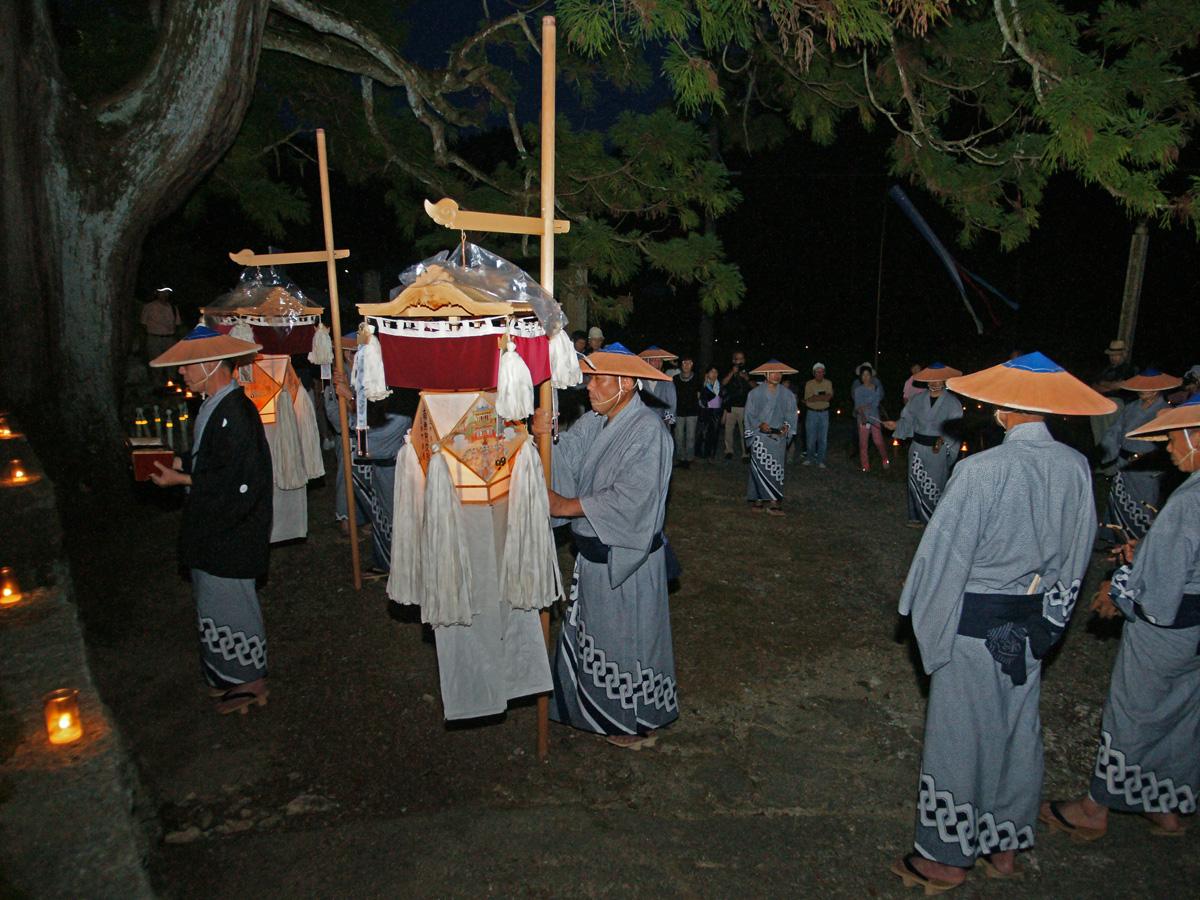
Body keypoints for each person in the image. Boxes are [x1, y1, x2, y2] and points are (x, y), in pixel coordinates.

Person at [890, 352, 1109, 892]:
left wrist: (930, 638)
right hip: (1029, 626)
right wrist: (1048, 627)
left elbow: (943, 564)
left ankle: (945, 858)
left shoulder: (980, 470)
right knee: (1016, 731)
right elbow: (1076, 559)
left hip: (972, 626)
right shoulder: (1074, 469)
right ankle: (1004, 845)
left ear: (1007, 412)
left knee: (960, 737)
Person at [1042, 393, 1200, 842]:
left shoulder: (1190, 501)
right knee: (1182, 714)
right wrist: (1147, 550)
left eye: (1174, 437)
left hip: (1165, 631)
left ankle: (1095, 806)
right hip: (1195, 633)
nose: (1168, 448)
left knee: (1133, 713)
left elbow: (1160, 593)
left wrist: (1121, 585)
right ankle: (1166, 804)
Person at [530, 344, 677, 749]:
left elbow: (633, 498)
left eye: (598, 379)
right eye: (589, 377)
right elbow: (567, 458)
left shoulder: (648, 430)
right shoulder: (597, 421)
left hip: (626, 558)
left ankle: (627, 719)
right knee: (606, 638)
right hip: (597, 557)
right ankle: (613, 715)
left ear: (626, 384)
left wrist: (567, 505)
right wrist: (547, 437)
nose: (589, 387)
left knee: (629, 641)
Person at [147, 325, 273, 715]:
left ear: (211, 364)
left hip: (232, 527)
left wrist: (183, 478)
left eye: (188, 366)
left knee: (231, 601)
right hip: (215, 525)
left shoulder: (237, 411)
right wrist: (179, 461)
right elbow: (213, 460)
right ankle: (225, 673)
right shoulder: (213, 406)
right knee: (212, 601)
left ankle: (250, 680)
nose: (182, 373)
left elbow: (241, 479)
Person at [325, 336, 416, 573]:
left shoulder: (402, 396)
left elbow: (376, 432)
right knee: (382, 518)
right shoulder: (383, 389)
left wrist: (351, 400)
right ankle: (386, 564)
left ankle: (398, 568)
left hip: (393, 467)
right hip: (380, 466)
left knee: (395, 519)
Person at [1097, 370, 1179, 542]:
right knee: (1120, 501)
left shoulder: (1165, 411)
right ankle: (1118, 539)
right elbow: (1115, 431)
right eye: (1140, 388)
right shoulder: (1131, 408)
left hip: (1147, 468)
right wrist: (1106, 451)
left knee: (1145, 506)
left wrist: (1156, 461)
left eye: (1147, 388)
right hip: (1124, 463)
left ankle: (1141, 543)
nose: (1142, 391)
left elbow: (1170, 442)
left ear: (1157, 390)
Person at [883, 363, 964, 527]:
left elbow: (955, 428)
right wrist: (896, 425)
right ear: (926, 381)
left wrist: (943, 440)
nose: (934, 383)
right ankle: (915, 517)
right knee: (915, 480)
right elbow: (907, 420)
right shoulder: (916, 400)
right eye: (931, 379)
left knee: (937, 483)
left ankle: (934, 520)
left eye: (938, 379)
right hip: (918, 448)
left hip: (938, 450)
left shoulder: (953, 403)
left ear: (944, 380)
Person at [743, 361, 799, 516]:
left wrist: (787, 426)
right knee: (758, 469)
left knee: (776, 470)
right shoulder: (754, 393)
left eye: (779, 373)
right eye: (773, 373)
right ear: (766, 375)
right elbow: (748, 415)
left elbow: (792, 414)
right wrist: (759, 424)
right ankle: (758, 499)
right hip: (760, 437)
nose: (777, 376)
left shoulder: (787, 394)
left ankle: (774, 502)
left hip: (778, 438)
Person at [1090, 339, 1137, 450]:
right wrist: (1106, 385)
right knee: (1098, 434)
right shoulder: (1105, 369)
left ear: (1123, 355)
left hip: (1116, 403)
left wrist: (1103, 384)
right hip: (1099, 403)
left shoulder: (1129, 369)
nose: (1113, 358)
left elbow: (1120, 385)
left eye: (1116, 355)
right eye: (1112, 355)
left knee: (1111, 434)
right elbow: (1094, 386)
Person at [852, 362, 890, 472]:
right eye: (863, 375)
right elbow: (857, 405)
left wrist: (865, 406)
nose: (865, 377)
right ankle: (865, 466)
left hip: (874, 417)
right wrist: (863, 414)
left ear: (871, 376)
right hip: (862, 418)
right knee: (863, 443)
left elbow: (875, 403)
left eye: (867, 375)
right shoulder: (858, 390)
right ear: (861, 376)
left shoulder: (876, 387)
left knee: (878, 441)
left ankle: (885, 459)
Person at [141, 286, 181, 385]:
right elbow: (143, 323)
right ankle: (157, 385)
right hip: (154, 338)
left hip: (169, 338)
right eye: (162, 292)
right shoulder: (149, 307)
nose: (164, 295)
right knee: (156, 362)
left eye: (166, 292)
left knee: (171, 362)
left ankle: (171, 383)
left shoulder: (173, 308)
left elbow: (177, 324)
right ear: (157, 293)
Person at [637, 346, 679, 430]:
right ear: (647, 362)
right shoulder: (638, 382)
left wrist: (667, 423)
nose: (657, 362)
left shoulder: (667, 381)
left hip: (661, 425)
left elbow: (672, 405)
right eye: (654, 360)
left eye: (660, 360)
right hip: (642, 425)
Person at [722, 349, 752, 460]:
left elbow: (755, 386)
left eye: (741, 358)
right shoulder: (729, 369)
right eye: (737, 358)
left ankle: (745, 453)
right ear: (733, 359)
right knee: (728, 430)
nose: (739, 360)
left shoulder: (748, 370)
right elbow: (723, 383)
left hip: (745, 406)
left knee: (744, 431)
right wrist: (732, 373)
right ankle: (728, 450)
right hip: (730, 406)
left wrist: (746, 378)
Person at [802, 363, 834, 468]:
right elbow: (808, 400)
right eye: (817, 372)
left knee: (823, 439)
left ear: (824, 373)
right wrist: (822, 397)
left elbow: (829, 397)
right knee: (811, 438)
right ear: (814, 373)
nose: (819, 374)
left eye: (821, 372)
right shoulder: (809, 384)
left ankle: (821, 460)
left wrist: (816, 397)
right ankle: (809, 458)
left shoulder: (828, 383)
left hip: (824, 413)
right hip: (812, 413)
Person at [673, 355, 702, 468]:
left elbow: (699, 394)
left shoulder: (697, 378)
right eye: (684, 363)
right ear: (681, 365)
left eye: (689, 363)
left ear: (692, 365)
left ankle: (689, 459)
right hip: (678, 411)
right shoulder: (675, 379)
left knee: (690, 436)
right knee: (678, 436)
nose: (686, 365)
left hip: (692, 412)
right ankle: (680, 458)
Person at [698, 366, 724, 460]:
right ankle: (702, 454)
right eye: (712, 372)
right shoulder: (703, 385)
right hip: (705, 413)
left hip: (716, 414)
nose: (714, 374)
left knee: (715, 435)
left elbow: (723, 400)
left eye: (716, 372)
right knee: (704, 434)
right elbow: (701, 400)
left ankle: (712, 454)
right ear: (707, 374)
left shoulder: (720, 385)